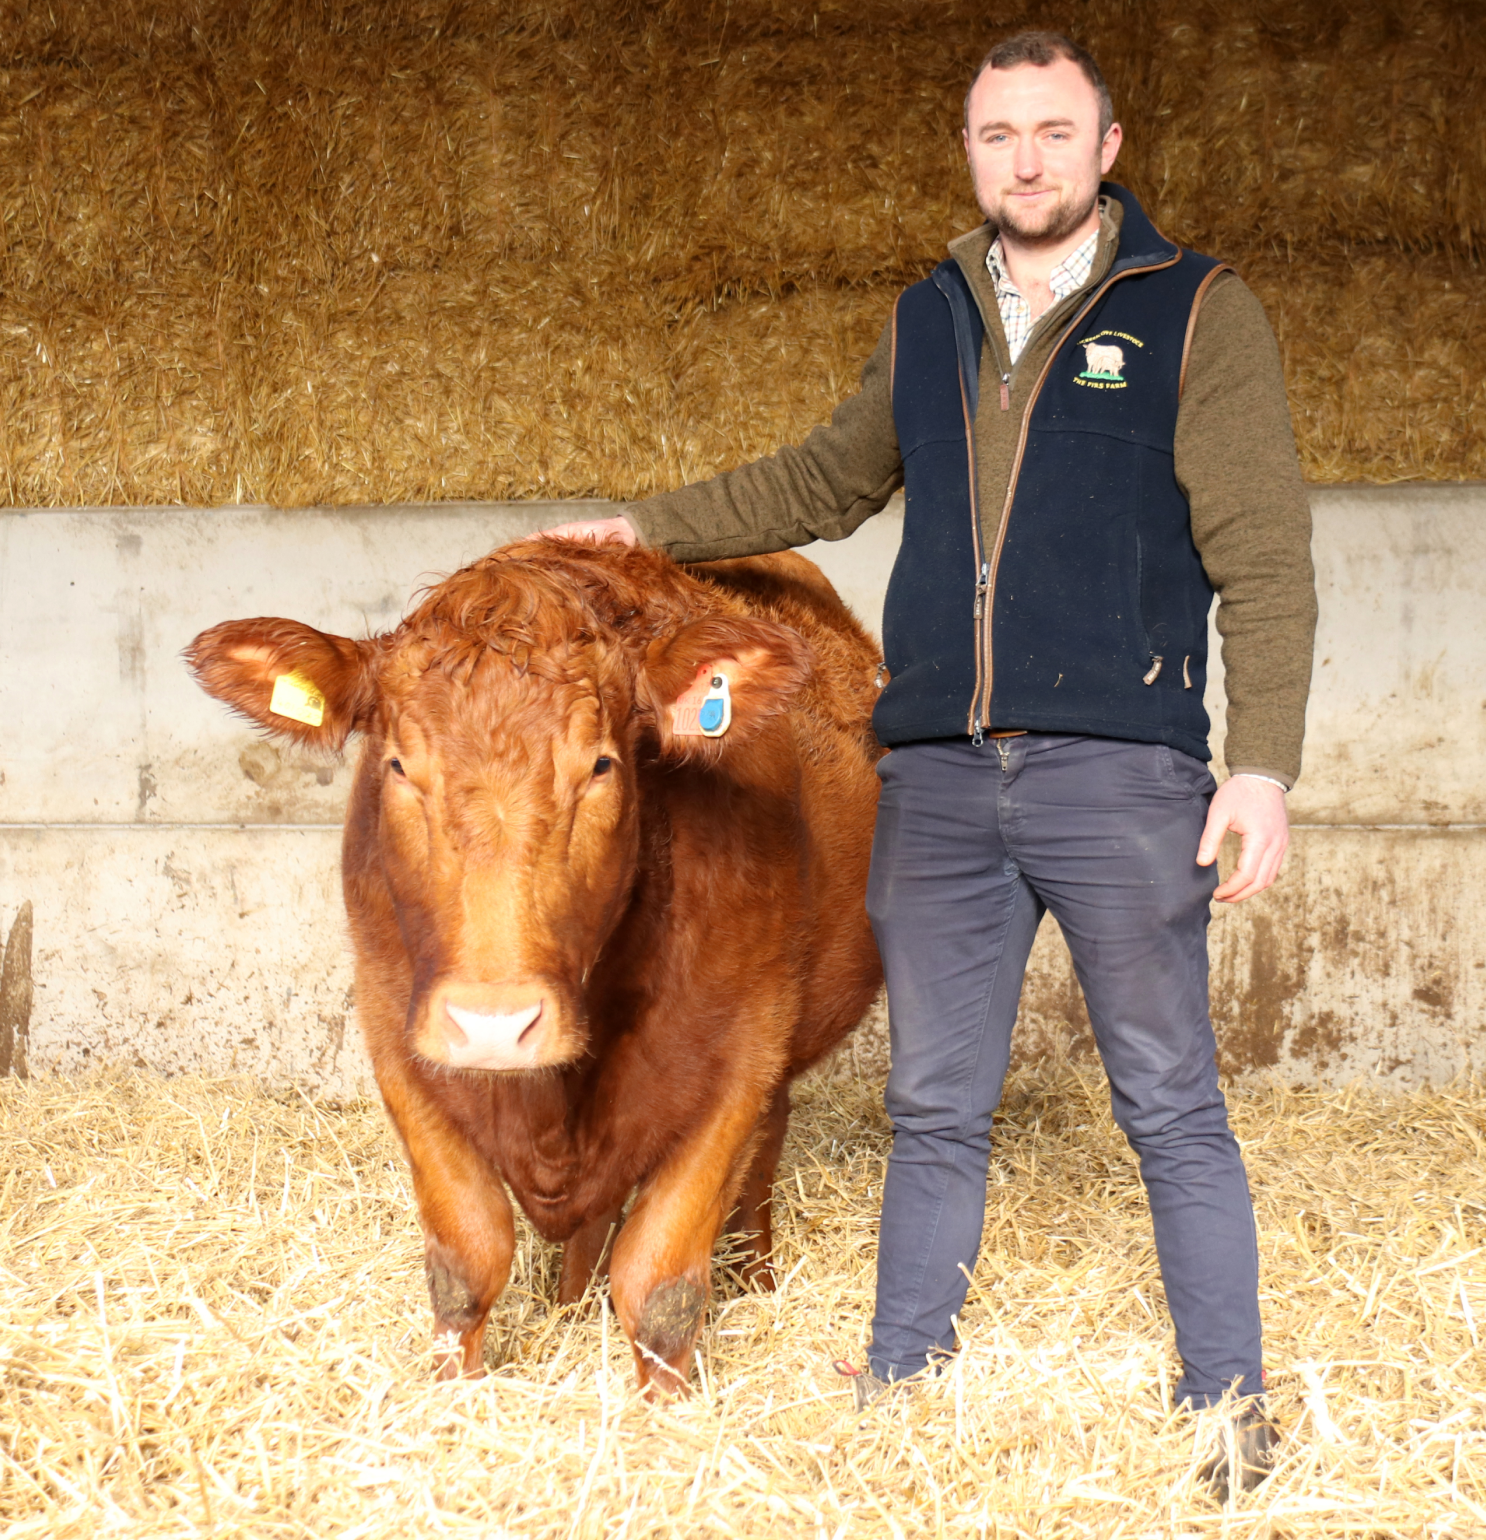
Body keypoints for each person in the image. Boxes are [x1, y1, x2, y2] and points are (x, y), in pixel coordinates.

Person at [545, 29, 1313, 1498]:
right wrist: (648, 531)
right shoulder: (930, 316)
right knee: (934, 1101)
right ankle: (907, 1380)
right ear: (970, 152)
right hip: (944, 780)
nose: (1024, 158)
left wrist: (1259, 765)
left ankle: (1227, 1408)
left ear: (1108, 146)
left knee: (1168, 1099)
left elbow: (1266, 562)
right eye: (995, 134)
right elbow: (824, 480)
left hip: (1118, 773)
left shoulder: (1199, 315)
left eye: (1052, 131)